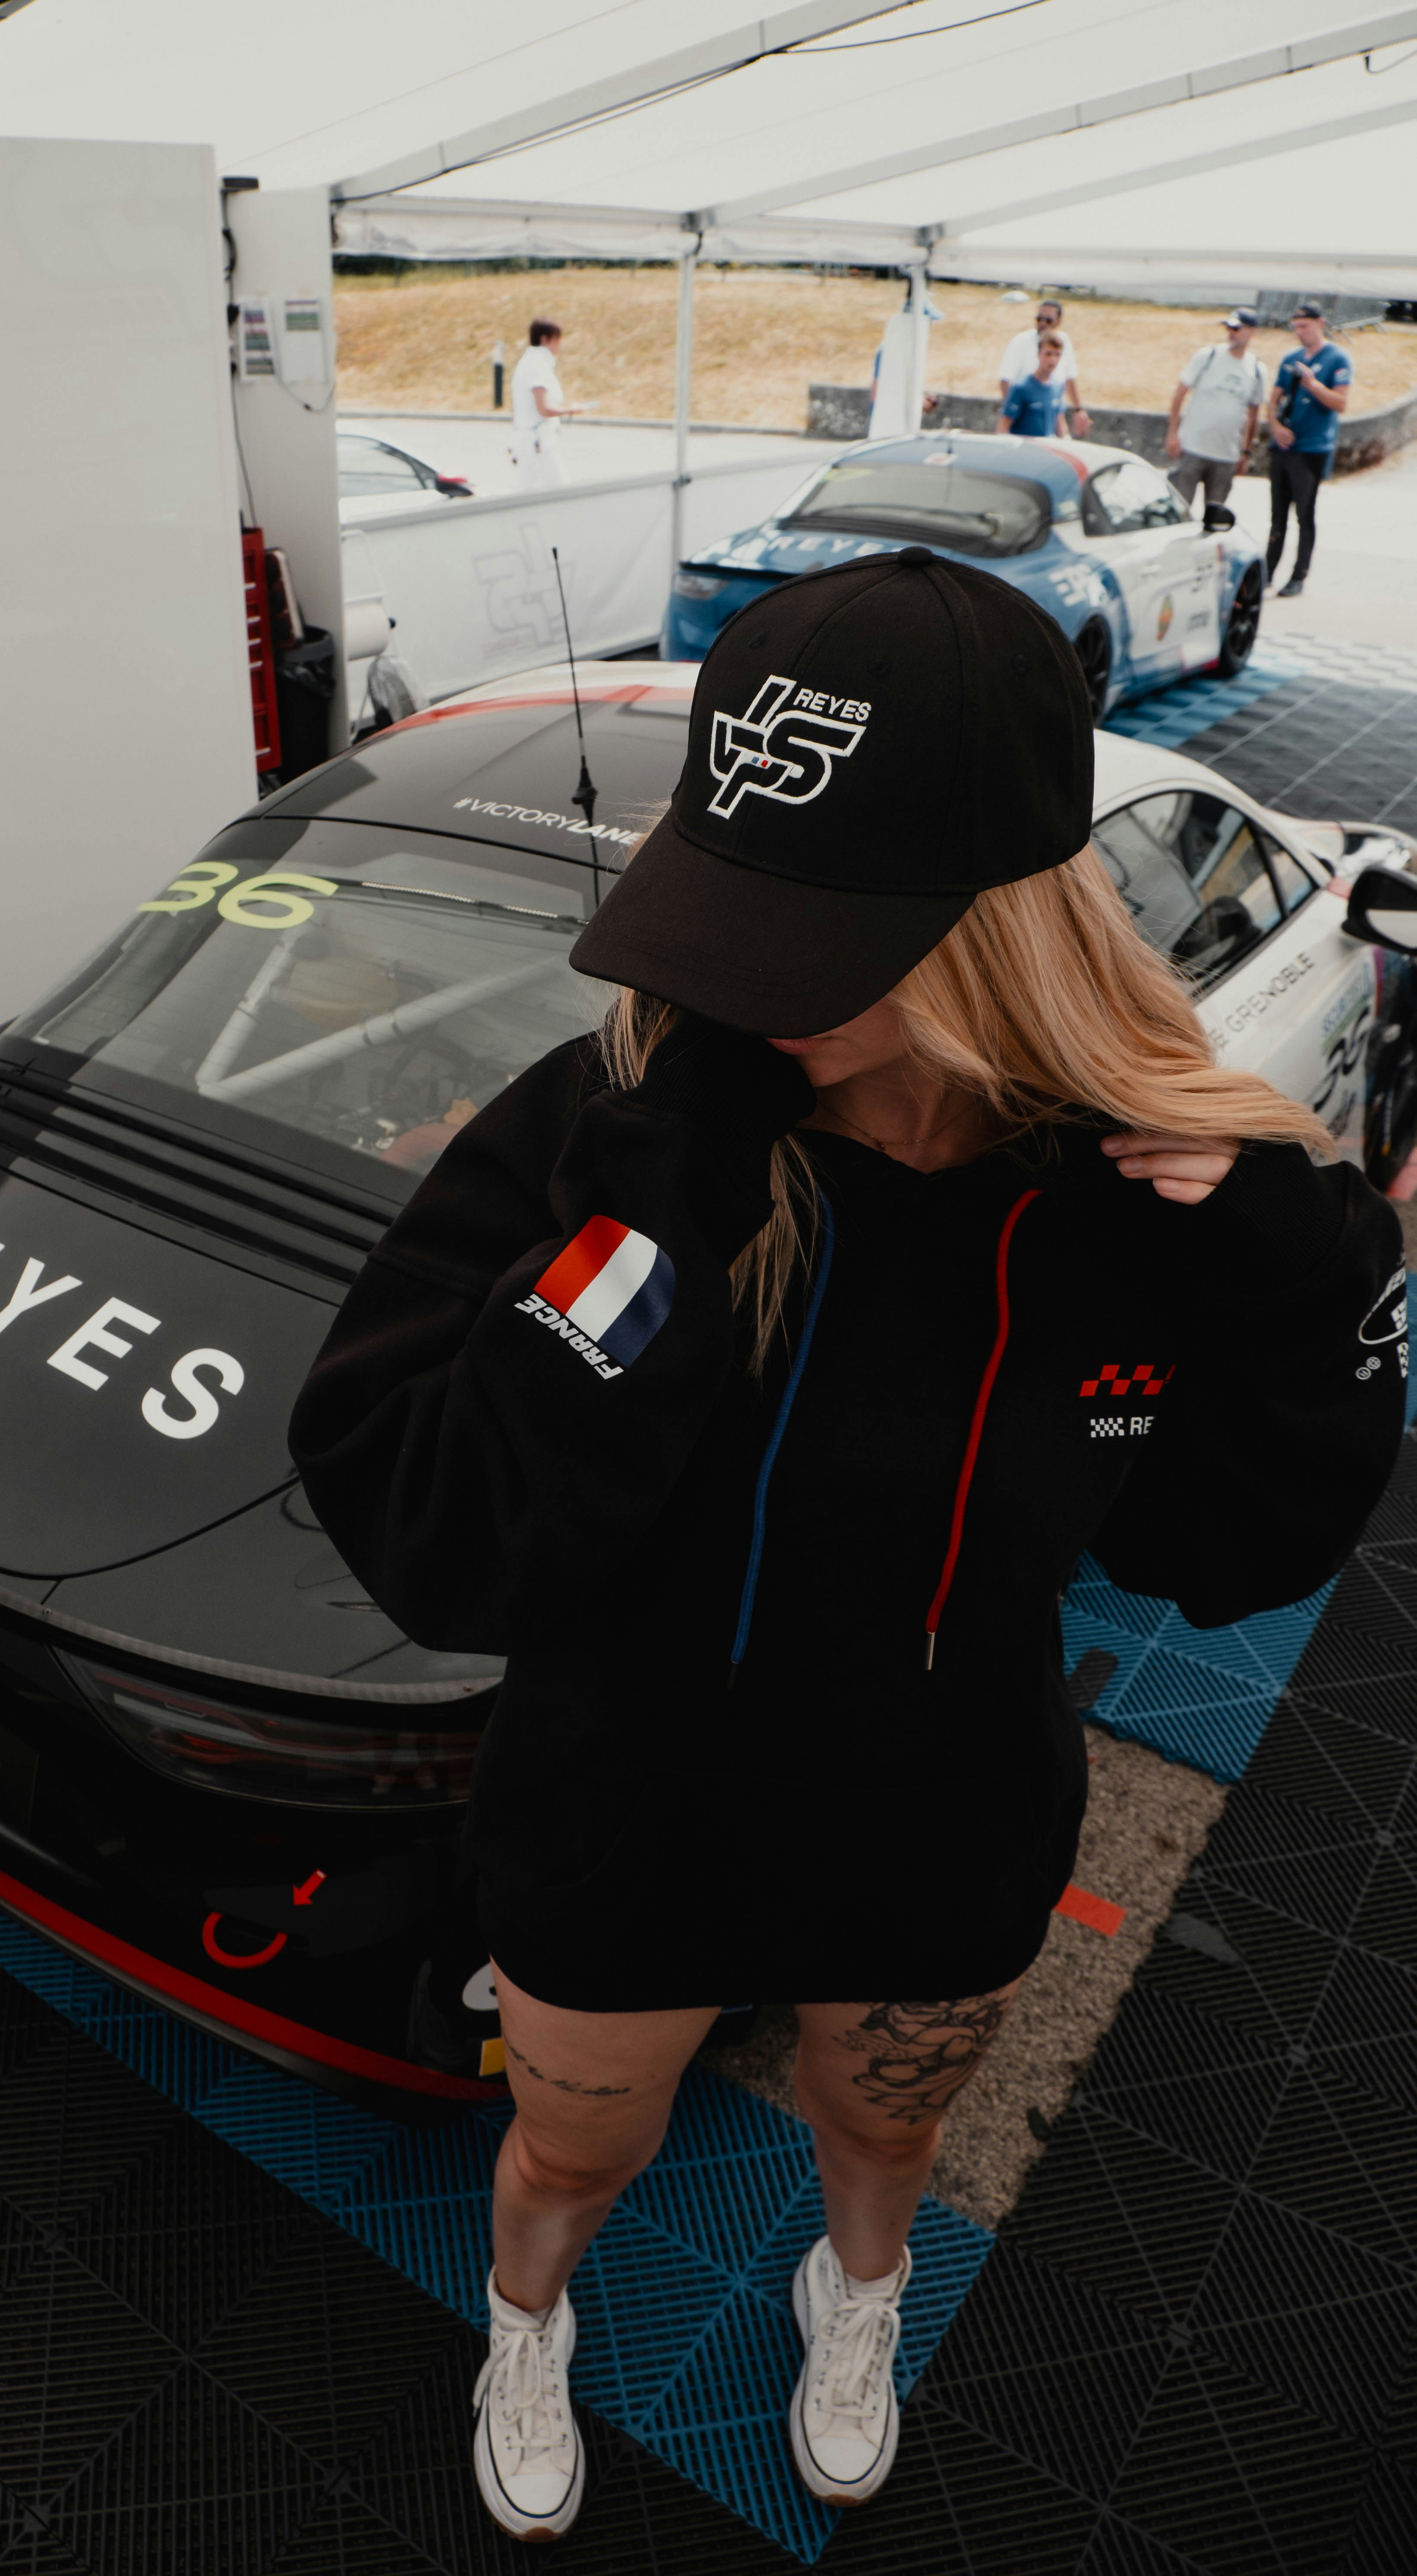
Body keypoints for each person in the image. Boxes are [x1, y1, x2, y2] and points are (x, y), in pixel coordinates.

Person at [289, 551, 1402, 2536]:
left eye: (812, 932)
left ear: (1003, 927)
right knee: (560, 2160)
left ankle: (854, 2287)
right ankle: (523, 2318)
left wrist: (1301, 1288)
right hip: (619, 1826)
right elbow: (432, 1532)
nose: (731, 975)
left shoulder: (1133, 1208)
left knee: (881, 2143)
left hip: (940, 1826)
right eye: (732, 898)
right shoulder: (613, 1133)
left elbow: (1236, 1554)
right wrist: (643, 1243)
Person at [1265, 301, 1353, 597]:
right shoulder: (1291, 358)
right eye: (1297, 327)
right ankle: (1268, 571)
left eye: (1305, 326)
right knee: (1278, 515)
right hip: (1284, 447)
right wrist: (1275, 427)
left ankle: (1299, 575)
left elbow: (1341, 403)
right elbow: (1273, 399)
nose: (1300, 332)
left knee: (1305, 514)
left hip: (1313, 448)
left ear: (1320, 324)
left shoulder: (1337, 358)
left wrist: (1313, 385)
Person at [1165, 307, 1267, 513]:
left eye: (1238, 329)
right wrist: (1173, 434)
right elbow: (1179, 395)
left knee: (1215, 516)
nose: (1232, 333)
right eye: (1230, 328)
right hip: (1193, 447)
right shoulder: (1208, 356)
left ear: (1252, 332)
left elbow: (1254, 414)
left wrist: (1246, 452)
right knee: (1180, 511)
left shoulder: (1256, 369)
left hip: (1226, 455)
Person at [999, 297, 1091, 437]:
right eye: (1039, 319)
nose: (1042, 324)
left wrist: (1078, 410)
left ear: (1059, 322)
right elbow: (1005, 381)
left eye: (1048, 320)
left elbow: (1070, 379)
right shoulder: (1021, 342)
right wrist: (1016, 410)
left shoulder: (1064, 342)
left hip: (1050, 409)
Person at [511, 319, 576, 491]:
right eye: (556, 340)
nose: (558, 346)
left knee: (529, 490)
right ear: (544, 340)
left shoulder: (531, 362)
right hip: (538, 440)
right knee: (558, 490)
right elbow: (544, 408)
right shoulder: (537, 366)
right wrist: (571, 410)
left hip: (533, 439)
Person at [997, 331, 1069, 437]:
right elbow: (1003, 428)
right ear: (1039, 354)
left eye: (1057, 355)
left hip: (1047, 449)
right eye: (1048, 354)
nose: (1053, 360)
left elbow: (1060, 424)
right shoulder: (1021, 388)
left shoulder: (1057, 387)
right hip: (1027, 450)